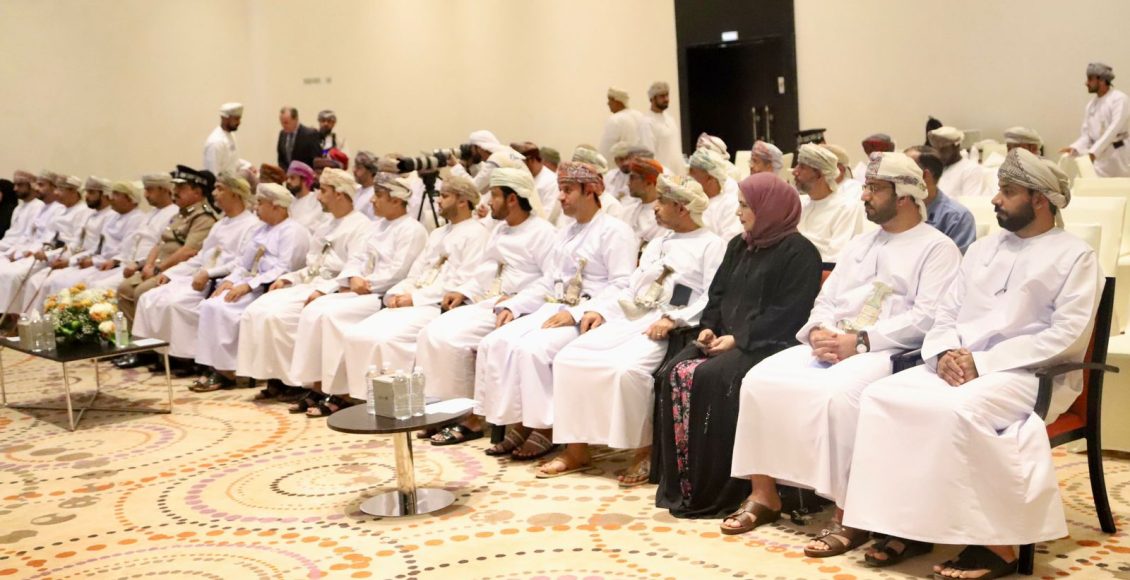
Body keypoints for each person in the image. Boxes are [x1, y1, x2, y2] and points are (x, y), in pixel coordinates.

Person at [842, 148, 1100, 578]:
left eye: (1008, 191)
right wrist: (944, 353)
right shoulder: (982, 250)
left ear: (1040, 200)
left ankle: (996, 546)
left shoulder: (1076, 256)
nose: (996, 199)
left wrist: (983, 362)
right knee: (881, 397)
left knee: (958, 410)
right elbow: (946, 314)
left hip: (1031, 373)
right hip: (960, 364)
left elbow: (1065, 336)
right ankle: (908, 526)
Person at [726, 153, 962, 558]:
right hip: (836, 341)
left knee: (840, 396)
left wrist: (861, 342)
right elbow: (827, 299)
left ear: (905, 196)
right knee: (759, 380)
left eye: (875, 189)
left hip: (889, 350)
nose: (864, 196)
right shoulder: (861, 244)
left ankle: (850, 513)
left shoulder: (937, 248)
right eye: (865, 187)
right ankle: (765, 495)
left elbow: (927, 319)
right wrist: (818, 330)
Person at [652, 173, 822, 518]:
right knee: (673, 372)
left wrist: (740, 339)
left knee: (711, 379)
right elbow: (716, 295)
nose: (738, 212)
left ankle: (723, 488)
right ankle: (684, 483)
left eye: (745, 206)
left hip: (768, 343)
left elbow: (790, 312)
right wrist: (708, 328)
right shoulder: (739, 245)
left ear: (769, 208)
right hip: (725, 339)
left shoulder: (800, 253)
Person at [540, 175, 723, 483]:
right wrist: (601, 311)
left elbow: (712, 296)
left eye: (662, 202)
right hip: (633, 317)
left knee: (628, 372)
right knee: (569, 358)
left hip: (670, 326)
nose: (656, 207)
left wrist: (674, 320)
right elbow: (630, 287)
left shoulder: (712, 244)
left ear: (681, 208)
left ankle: (644, 451)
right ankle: (576, 450)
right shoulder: (658, 242)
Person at [475, 162, 636, 460]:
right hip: (557, 306)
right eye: (560, 189)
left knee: (532, 350)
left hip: (592, 315)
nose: (560, 197)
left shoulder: (615, 231)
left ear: (590, 191)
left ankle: (546, 427)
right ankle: (522, 421)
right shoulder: (566, 233)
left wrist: (578, 314)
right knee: (495, 342)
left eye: (568, 190)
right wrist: (514, 305)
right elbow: (548, 281)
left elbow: (623, 285)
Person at [415, 169, 556, 445]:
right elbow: (485, 271)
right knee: (429, 332)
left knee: (452, 340)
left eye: (494, 195)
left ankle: (469, 418)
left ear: (512, 199)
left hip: (523, 306)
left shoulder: (543, 233)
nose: (488, 202)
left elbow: (550, 282)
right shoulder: (500, 229)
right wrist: (464, 291)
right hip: (491, 301)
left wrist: (515, 303)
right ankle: (441, 412)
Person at [329, 175, 489, 416]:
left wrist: (415, 299)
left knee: (386, 339)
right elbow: (416, 272)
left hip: (435, 304)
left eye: (445, 196)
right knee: (356, 333)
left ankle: (399, 403)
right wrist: (397, 293)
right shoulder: (438, 233)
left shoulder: (478, 233)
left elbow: (462, 282)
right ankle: (365, 400)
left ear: (463, 201)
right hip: (415, 299)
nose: (438, 201)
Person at [281, 174, 434, 415]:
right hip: (359, 289)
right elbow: (356, 259)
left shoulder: (412, 229)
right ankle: (318, 386)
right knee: (313, 310)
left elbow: (399, 270)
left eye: (379, 196)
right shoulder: (375, 227)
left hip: (381, 293)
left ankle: (341, 392)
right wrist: (353, 277)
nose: (372, 201)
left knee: (332, 317)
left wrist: (367, 284)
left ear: (396, 200)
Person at [235, 168, 373, 392]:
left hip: (334, 288)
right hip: (309, 283)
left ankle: (295, 382)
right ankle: (275, 377)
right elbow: (312, 266)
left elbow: (354, 268)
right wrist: (288, 278)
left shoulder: (361, 226)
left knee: (277, 316)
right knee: (256, 310)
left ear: (339, 194)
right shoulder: (325, 225)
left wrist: (325, 290)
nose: (318, 196)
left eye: (324, 191)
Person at [132, 174, 259, 380]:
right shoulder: (221, 224)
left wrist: (208, 273)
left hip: (223, 279)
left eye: (220, 189)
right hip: (201, 275)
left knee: (176, 304)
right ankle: (162, 354)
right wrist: (170, 273)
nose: (214, 193)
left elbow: (240, 262)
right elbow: (201, 256)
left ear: (235, 194)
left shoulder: (250, 224)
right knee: (151, 297)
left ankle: (188, 358)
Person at [195, 183, 311, 393]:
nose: (256, 207)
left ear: (276, 206)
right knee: (210, 305)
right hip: (250, 283)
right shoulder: (260, 229)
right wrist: (230, 281)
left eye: (260, 203)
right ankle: (217, 367)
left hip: (270, 287)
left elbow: (284, 268)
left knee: (225, 309)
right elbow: (243, 264)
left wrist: (248, 286)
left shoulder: (293, 231)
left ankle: (230, 370)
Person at [115, 166, 218, 368]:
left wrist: (158, 268)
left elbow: (188, 251)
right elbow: (160, 243)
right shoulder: (179, 215)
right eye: (175, 187)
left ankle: (152, 350)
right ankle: (135, 347)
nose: (175, 192)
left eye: (181, 188)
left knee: (143, 292)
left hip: (178, 271)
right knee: (124, 289)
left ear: (197, 192)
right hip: (159, 267)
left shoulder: (203, 218)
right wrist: (147, 264)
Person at [35, 180, 147, 302]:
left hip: (117, 266)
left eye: (116, 194)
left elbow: (126, 253)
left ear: (130, 198)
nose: (111, 198)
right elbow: (97, 247)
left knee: (88, 286)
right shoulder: (113, 217)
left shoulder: (137, 218)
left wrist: (95, 261)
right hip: (100, 263)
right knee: (57, 280)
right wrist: (77, 260)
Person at [0, 175, 93, 314]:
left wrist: (50, 255)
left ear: (73, 191)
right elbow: (47, 238)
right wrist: (34, 251)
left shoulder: (83, 212)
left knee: (21, 277)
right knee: (23, 277)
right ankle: (20, 318)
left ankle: (23, 317)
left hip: (62, 256)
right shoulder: (61, 209)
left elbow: (75, 244)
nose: (57, 193)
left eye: (61, 190)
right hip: (46, 252)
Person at [20, 176, 114, 312]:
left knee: (55, 283)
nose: (86, 196)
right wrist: (60, 257)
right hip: (75, 258)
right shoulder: (91, 214)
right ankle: (30, 320)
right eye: (87, 192)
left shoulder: (109, 216)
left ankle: (53, 321)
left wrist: (69, 261)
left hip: (91, 262)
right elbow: (77, 243)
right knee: (36, 280)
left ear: (104, 195)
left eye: (91, 192)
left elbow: (98, 250)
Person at [84, 173, 180, 290]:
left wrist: (139, 264)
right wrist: (118, 261)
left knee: (99, 287)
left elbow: (163, 248)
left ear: (164, 190)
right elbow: (130, 245)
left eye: (149, 190)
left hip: (147, 268)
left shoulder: (174, 214)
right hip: (129, 265)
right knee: (89, 281)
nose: (145, 195)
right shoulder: (151, 213)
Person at [794, 144, 866, 261]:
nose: (795, 172)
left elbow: (836, 259)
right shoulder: (799, 204)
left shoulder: (846, 208)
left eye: (802, 167)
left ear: (819, 174)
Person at [1061, 62, 1129, 177]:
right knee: (1091, 185)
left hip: (1118, 157)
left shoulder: (1119, 99)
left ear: (1101, 79)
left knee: (1120, 187)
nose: (1086, 83)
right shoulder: (1091, 105)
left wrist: (1094, 152)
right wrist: (1075, 148)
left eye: (1090, 79)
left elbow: (1113, 130)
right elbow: (1087, 135)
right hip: (1099, 159)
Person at [905, 145, 977, 252]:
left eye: (904, 170)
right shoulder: (895, 208)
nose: (895, 176)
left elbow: (957, 260)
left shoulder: (957, 218)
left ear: (925, 176)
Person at [689, 149, 742, 240]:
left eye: (693, 172)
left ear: (709, 178)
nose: (689, 176)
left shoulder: (730, 205)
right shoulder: (689, 201)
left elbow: (729, 242)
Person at [929, 126, 988, 197]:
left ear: (956, 146)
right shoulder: (939, 169)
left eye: (943, 149)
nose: (938, 153)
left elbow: (970, 201)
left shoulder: (971, 169)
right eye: (935, 149)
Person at [599, 88, 654, 161]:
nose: (608, 103)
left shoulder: (615, 120)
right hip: (642, 164)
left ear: (617, 101)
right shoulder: (640, 116)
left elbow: (605, 151)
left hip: (620, 166)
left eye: (610, 100)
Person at [644, 82, 687, 174]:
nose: (666, 99)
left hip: (678, 175)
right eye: (662, 96)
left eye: (667, 95)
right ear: (652, 98)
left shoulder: (670, 119)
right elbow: (649, 155)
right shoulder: (647, 122)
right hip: (663, 176)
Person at [511, 142, 559, 223]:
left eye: (521, 163)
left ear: (531, 160)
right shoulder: (523, 177)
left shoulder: (552, 181)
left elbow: (548, 216)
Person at [0, 171, 45, 256]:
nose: (15, 189)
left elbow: (28, 238)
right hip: (6, 247)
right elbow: (12, 234)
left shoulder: (39, 207)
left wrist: (13, 254)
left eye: (20, 185)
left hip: (19, 252)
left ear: (31, 186)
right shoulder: (18, 208)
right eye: (15, 185)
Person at [622, 158, 664, 247]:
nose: (628, 183)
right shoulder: (627, 212)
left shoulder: (666, 216)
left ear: (649, 183)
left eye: (632, 178)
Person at [284, 161, 326, 233]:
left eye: (292, 178)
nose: (288, 181)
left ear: (304, 180)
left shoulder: (317, 200)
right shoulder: (289, 202)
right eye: (287, 178)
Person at [203, 103, 243, 176]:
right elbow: (213, 174)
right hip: (221, 183)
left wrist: (249, 166)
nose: (239, 122)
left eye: (240, 119)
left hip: (231, 180)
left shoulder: (231, 135)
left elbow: (232, 162)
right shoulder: (216, 142)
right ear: (224, 118)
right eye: (236, 119)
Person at [352, 151, 379, 220]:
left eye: (359, 168)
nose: (354, 170)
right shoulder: (356, 190)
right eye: (355, 166)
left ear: (371, 171)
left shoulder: (375, 194)